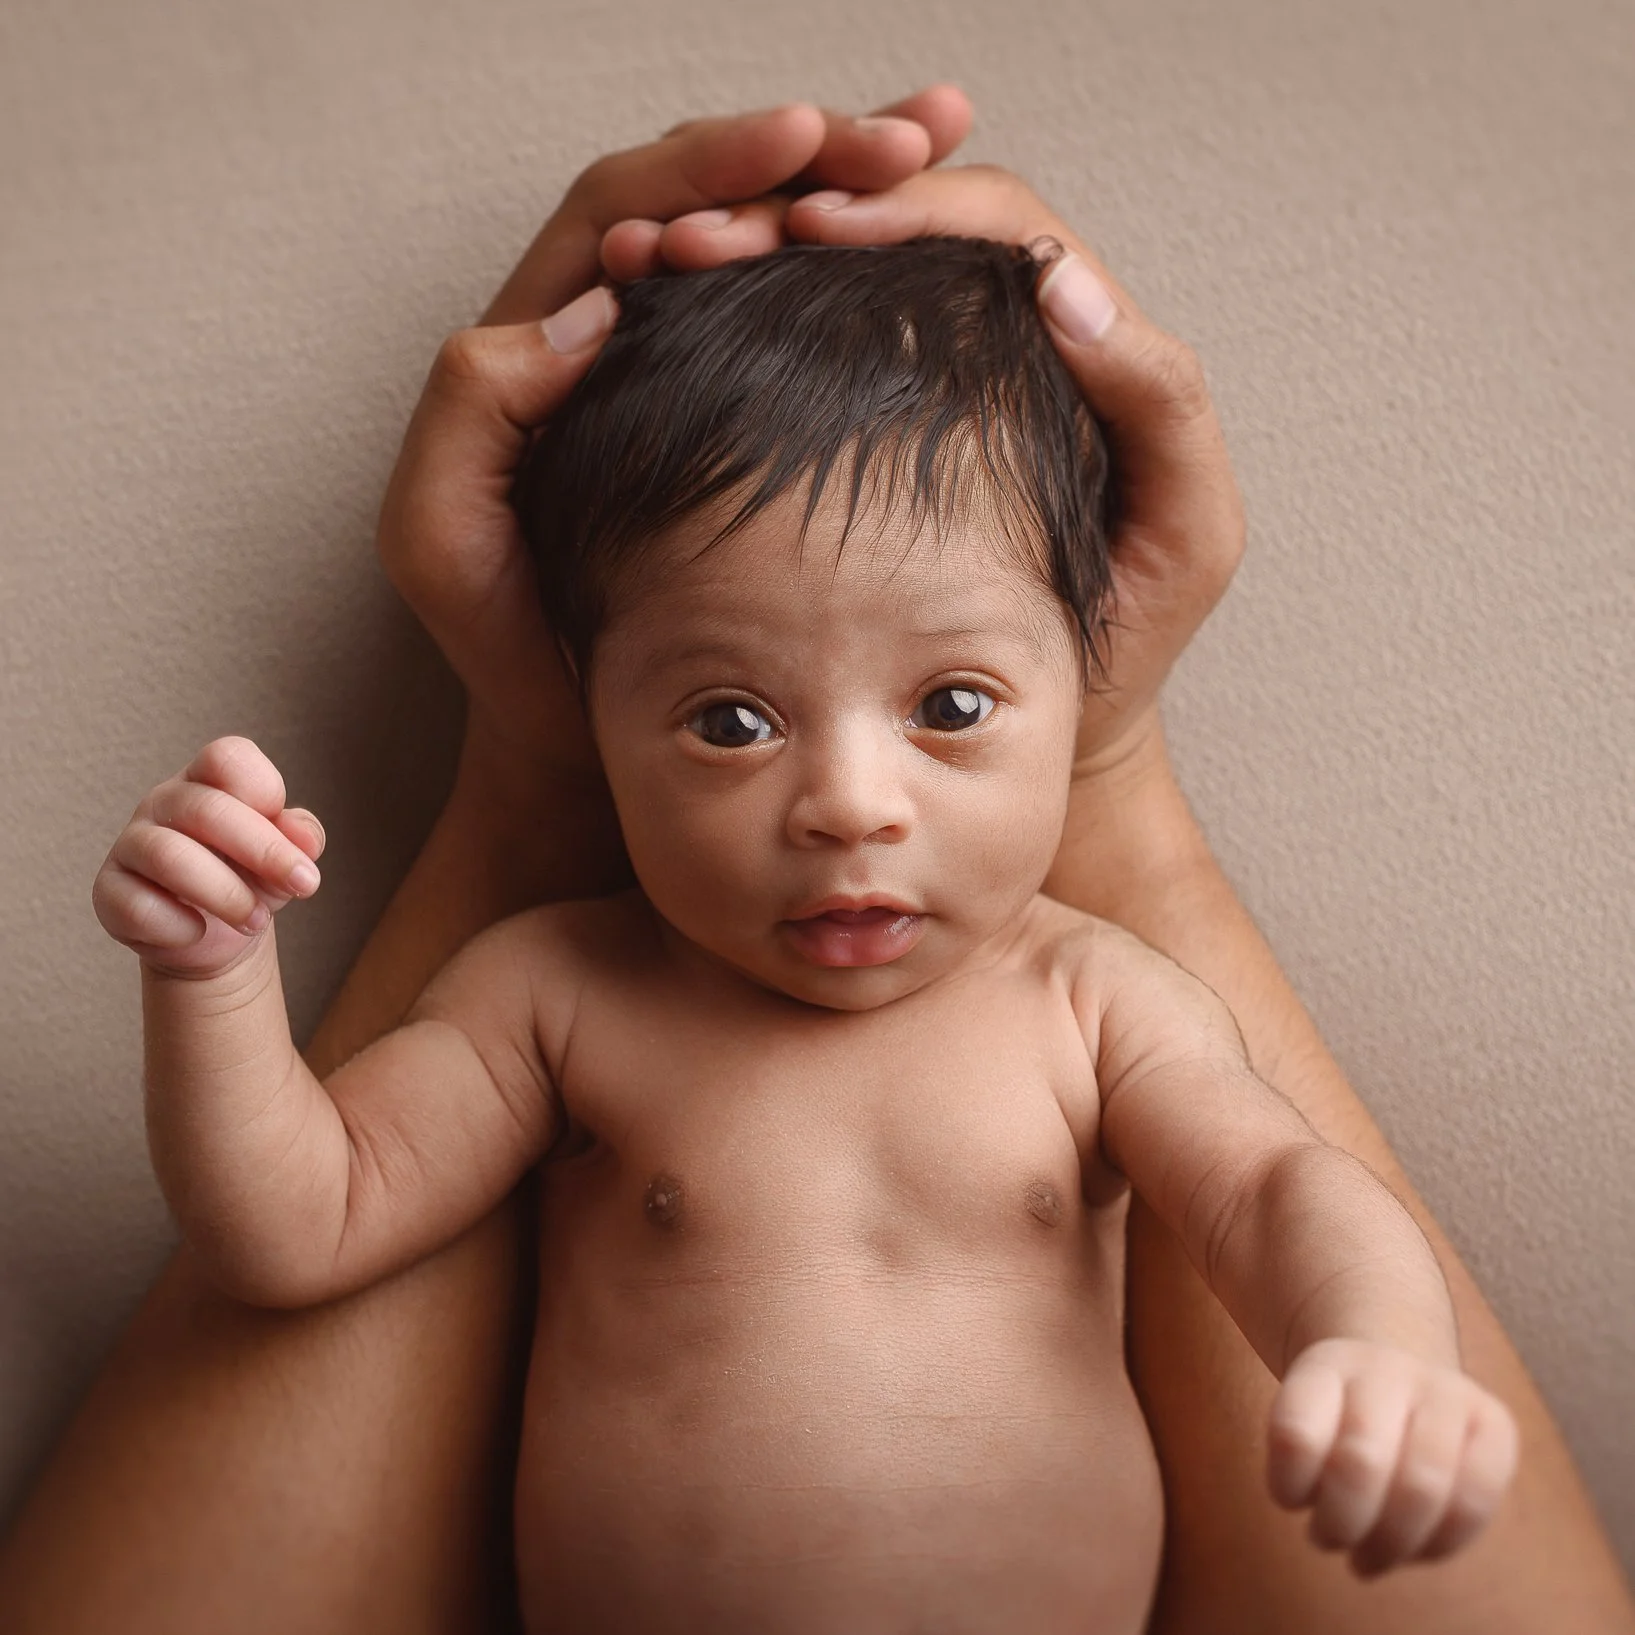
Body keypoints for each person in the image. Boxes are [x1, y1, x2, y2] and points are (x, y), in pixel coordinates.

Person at [0, 85, 1629, 1635]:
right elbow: (293, 1225)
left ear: (1092, 669)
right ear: (585, 706)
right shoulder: (556, 987)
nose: (850, 802)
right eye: (726, 719)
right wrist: (209, 976)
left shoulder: (1087, 995)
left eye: (953, 702)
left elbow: (1276, 1191)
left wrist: (1377, 1346)